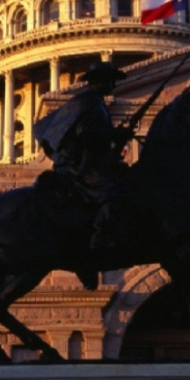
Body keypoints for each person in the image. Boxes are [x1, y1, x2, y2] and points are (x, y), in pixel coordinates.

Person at [34, 62, 133, 253]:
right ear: (100, 81)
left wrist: (116, 135)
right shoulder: (87, 103)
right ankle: (101, 234)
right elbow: (86, 134)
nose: (114, 86)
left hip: (90, 162)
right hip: (79, 165)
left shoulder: (95, 102)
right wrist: (115, 135)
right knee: (116, 188)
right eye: (110, 81)